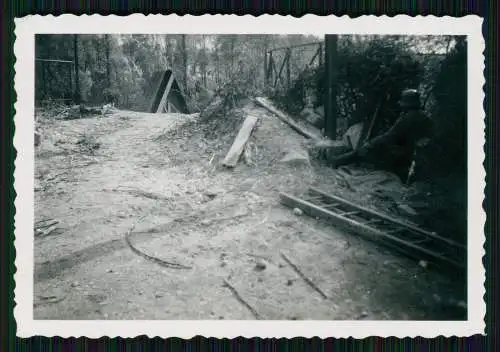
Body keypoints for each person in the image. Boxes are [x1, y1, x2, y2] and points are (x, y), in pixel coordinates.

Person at [334, 89, 433, 181]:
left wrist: (371, 143)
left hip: (400, 153)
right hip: (410, 154)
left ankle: (335, 162)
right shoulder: (424, 117)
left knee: (362, 152)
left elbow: (390, 136)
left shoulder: (408, 117)